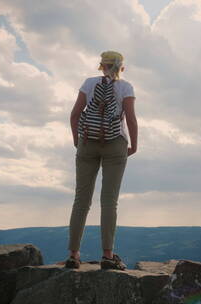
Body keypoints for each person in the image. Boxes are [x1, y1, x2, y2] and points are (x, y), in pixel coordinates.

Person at [64, 50, 137, 270]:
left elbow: (75, 114)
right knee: (109, 201)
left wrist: (78, 140)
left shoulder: (88, 83)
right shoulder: (125, 87)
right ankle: (107, 256)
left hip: (87, 142)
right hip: (116, 143)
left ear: (101, 66)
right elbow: (131, 119)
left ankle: (73, 255)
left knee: (81, 200)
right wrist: (134, 144)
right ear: (120, 67)